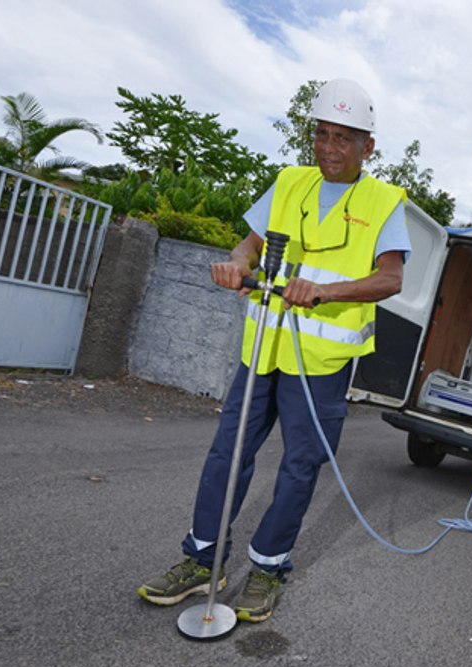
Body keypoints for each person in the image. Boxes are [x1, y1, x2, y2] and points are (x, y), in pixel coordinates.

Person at [138, 78, 411, 622]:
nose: (329, 148)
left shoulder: (385, 202)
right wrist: (238, 264)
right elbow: (251, 244)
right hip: (263, 350)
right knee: (227, 453)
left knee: (298, 466)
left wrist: (327, 291)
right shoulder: (289, 182)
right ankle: (201, 561)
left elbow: (391, 279)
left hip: (322, 364)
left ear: (367, 148)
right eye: (323, 135)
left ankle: (267, 568)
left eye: (344, 139)